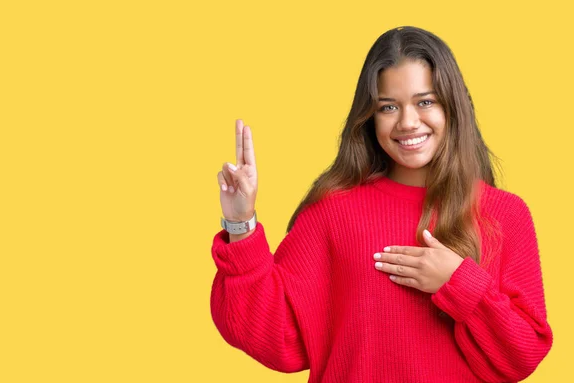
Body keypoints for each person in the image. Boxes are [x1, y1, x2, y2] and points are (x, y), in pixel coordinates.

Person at [210, 26, 553, 382]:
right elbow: (274, 338)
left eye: (425, 101)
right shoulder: (332, 211)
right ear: (370, 117)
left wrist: (458, 282)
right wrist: (242, 225)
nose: (407, 122)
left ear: (453, 105)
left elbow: (521, 357)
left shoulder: (505, 214)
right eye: (389, 107)